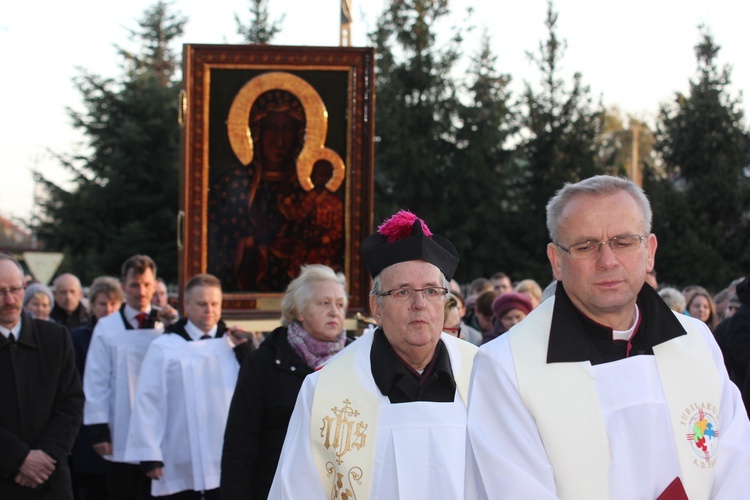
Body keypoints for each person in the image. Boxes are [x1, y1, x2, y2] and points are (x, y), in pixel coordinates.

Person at [465, 175, 750, 499]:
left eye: (624, 241)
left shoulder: (697, 342)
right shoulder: (507, 368)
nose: (607, 260)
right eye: (586, 246)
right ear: (556, 261)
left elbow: (738, 470)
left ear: (649, 251)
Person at [268, 210, 477, 499]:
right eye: (402, 292)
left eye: (431, 291)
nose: (419, 304)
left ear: (444, 300)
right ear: (376, 307)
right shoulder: (325, 391)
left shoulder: (484, 375)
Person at [221, 264, 353, 499]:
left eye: (340, 304)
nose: (334, 311)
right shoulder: (264, 362)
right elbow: (240, 444)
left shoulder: (359, 360)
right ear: (300, 311)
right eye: (324, 303)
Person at [126, 274, 254, 499]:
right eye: (202, 304)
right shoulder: (165, 347)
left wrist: (246, 352)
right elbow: (148, 401)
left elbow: (253, 394)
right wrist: (149, 454)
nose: (209, 310)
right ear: (186, 305)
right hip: (179, 450)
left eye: (215, 304)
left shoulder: (233, 345)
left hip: (225, 454)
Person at [0, 253, 85, 499]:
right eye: (1, 291)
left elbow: (72, 403)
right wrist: (18, 459)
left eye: (15, 290)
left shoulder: (54, 337)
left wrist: (45, 456)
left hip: (49, 478)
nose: (9, 299)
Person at [83, 255, 167, 500]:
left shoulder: (167, 325)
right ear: (123, 287)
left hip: (160, 426)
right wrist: (99, 429)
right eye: (134, 285)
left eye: (146, 284)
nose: (141, 291)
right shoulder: (107, 327)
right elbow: (96, 380)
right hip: (121, 423)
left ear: (154, 286)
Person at [208, 89, 307, 292]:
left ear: (299, 136)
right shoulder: (231, 184)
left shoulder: (306, 192)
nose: (279, 141)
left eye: (288, 130)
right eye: (271, 128)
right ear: (255, 132)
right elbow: (217, 245)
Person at [69, 277, 124, 500]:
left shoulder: (128, 337)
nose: (108, 309)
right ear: (92, 305)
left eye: (113, 304)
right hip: (87, 424)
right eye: (102, 304)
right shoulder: (78, 337)